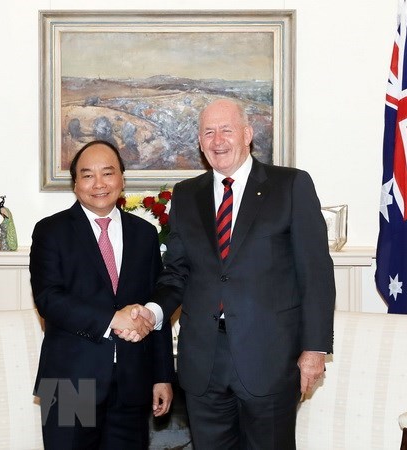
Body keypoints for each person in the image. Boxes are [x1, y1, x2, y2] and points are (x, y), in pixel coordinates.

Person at [141, 99, 336, 449]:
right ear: (199, 142)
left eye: (226, 130)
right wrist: (153, 312)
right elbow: (177, 272)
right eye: (208, 132)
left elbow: (316, 273)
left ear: (247, 134)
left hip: (270, 359)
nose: (218, 141)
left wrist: (314, 350)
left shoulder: (290, 186)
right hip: (203, 362)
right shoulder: (186, 195)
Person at [29, 140, 174, 449]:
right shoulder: (50, 231)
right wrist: (112, 318)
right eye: (87, 175)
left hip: (132, 383)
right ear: (75, 184)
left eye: (107, 173)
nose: (99, 184)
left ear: (122, 179)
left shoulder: (144, 234)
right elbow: (49, 299)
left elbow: (156, 304)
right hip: (69, 382)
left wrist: (162, 376)